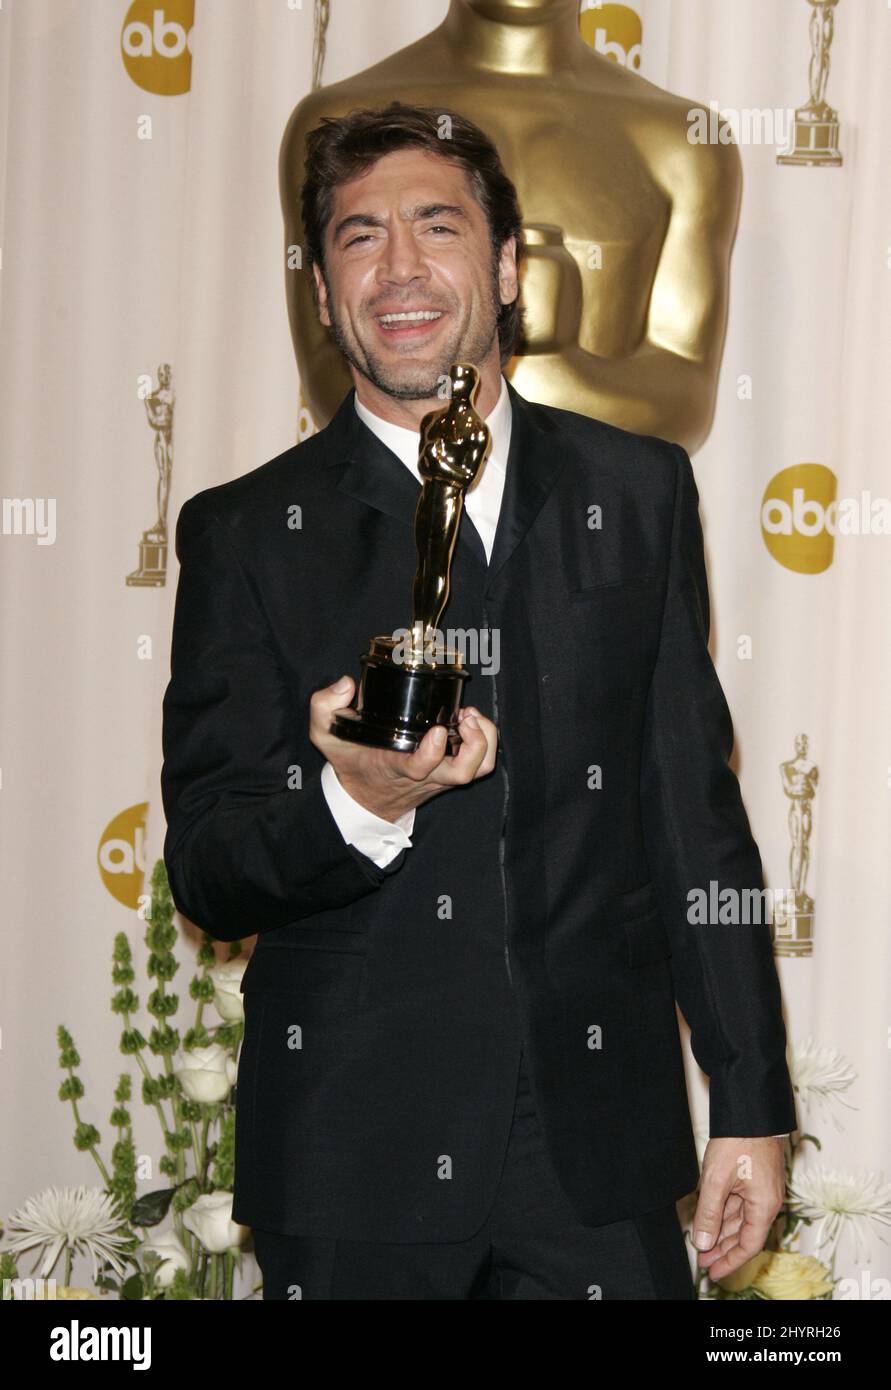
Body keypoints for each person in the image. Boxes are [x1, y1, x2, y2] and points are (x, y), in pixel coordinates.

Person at [160, 104, 796, 1300]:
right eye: (357, 238)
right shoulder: (245, 534)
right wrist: (352, 802)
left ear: (507, 268)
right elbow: (208, 867)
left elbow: (692, 819)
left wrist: (751, 1100)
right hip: (355, 1167)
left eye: (436, 227)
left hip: (594, 1156)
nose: (398, 268)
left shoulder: (638, 490)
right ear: (320, 293)